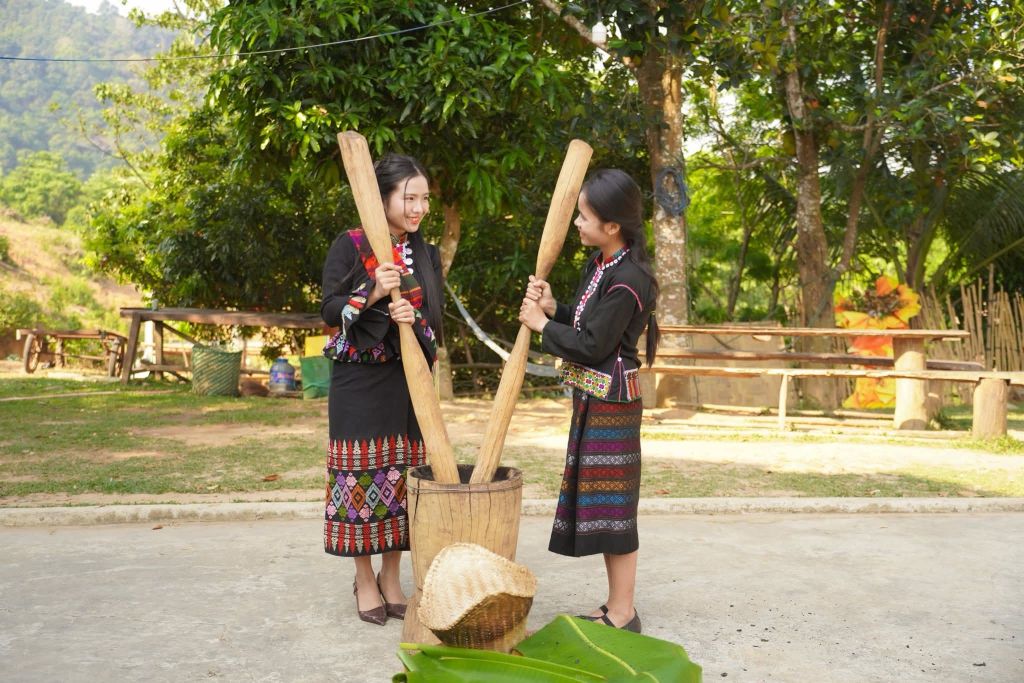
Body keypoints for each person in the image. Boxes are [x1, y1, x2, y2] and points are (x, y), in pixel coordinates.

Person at [519, 168, 659, 634]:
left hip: (613, 406)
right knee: (604, 508)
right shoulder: (602, 265)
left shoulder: (630, 279)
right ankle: (616, 605)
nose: (577, 223)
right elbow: (585, 323)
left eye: (584, 216)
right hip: (593, 400)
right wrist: (553, 307)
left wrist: (542, 326)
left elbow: (594, 344)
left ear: (613, 225)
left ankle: (623, 612)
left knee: (615, 510)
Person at [320, 153, 444, 626]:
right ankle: (364, 578)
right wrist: (371, 291)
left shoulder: (427, 254)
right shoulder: (351, 244)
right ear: (383, 197)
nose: (419, 208)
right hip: (358, 381)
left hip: (408, 380)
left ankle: (392, 577)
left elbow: (435, 324)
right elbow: (330, 311)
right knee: (360, 476)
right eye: (409, 198)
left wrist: (414, 319)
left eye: (424, 199)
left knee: (400, 479)